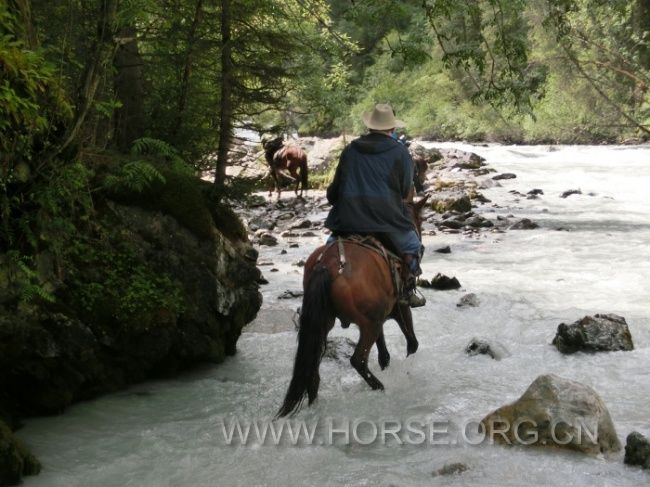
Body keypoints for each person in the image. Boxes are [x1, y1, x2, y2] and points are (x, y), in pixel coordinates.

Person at [325, 103, 426, 308]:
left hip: (348, 220)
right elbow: (405, 189)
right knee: (413, 246)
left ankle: (317, 296)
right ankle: (407, 291)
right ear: (392, 128)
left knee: (326, 255)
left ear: (369, 126)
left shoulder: (350, 150)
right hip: (386, 219)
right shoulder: (400, 153)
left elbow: (334, 191)